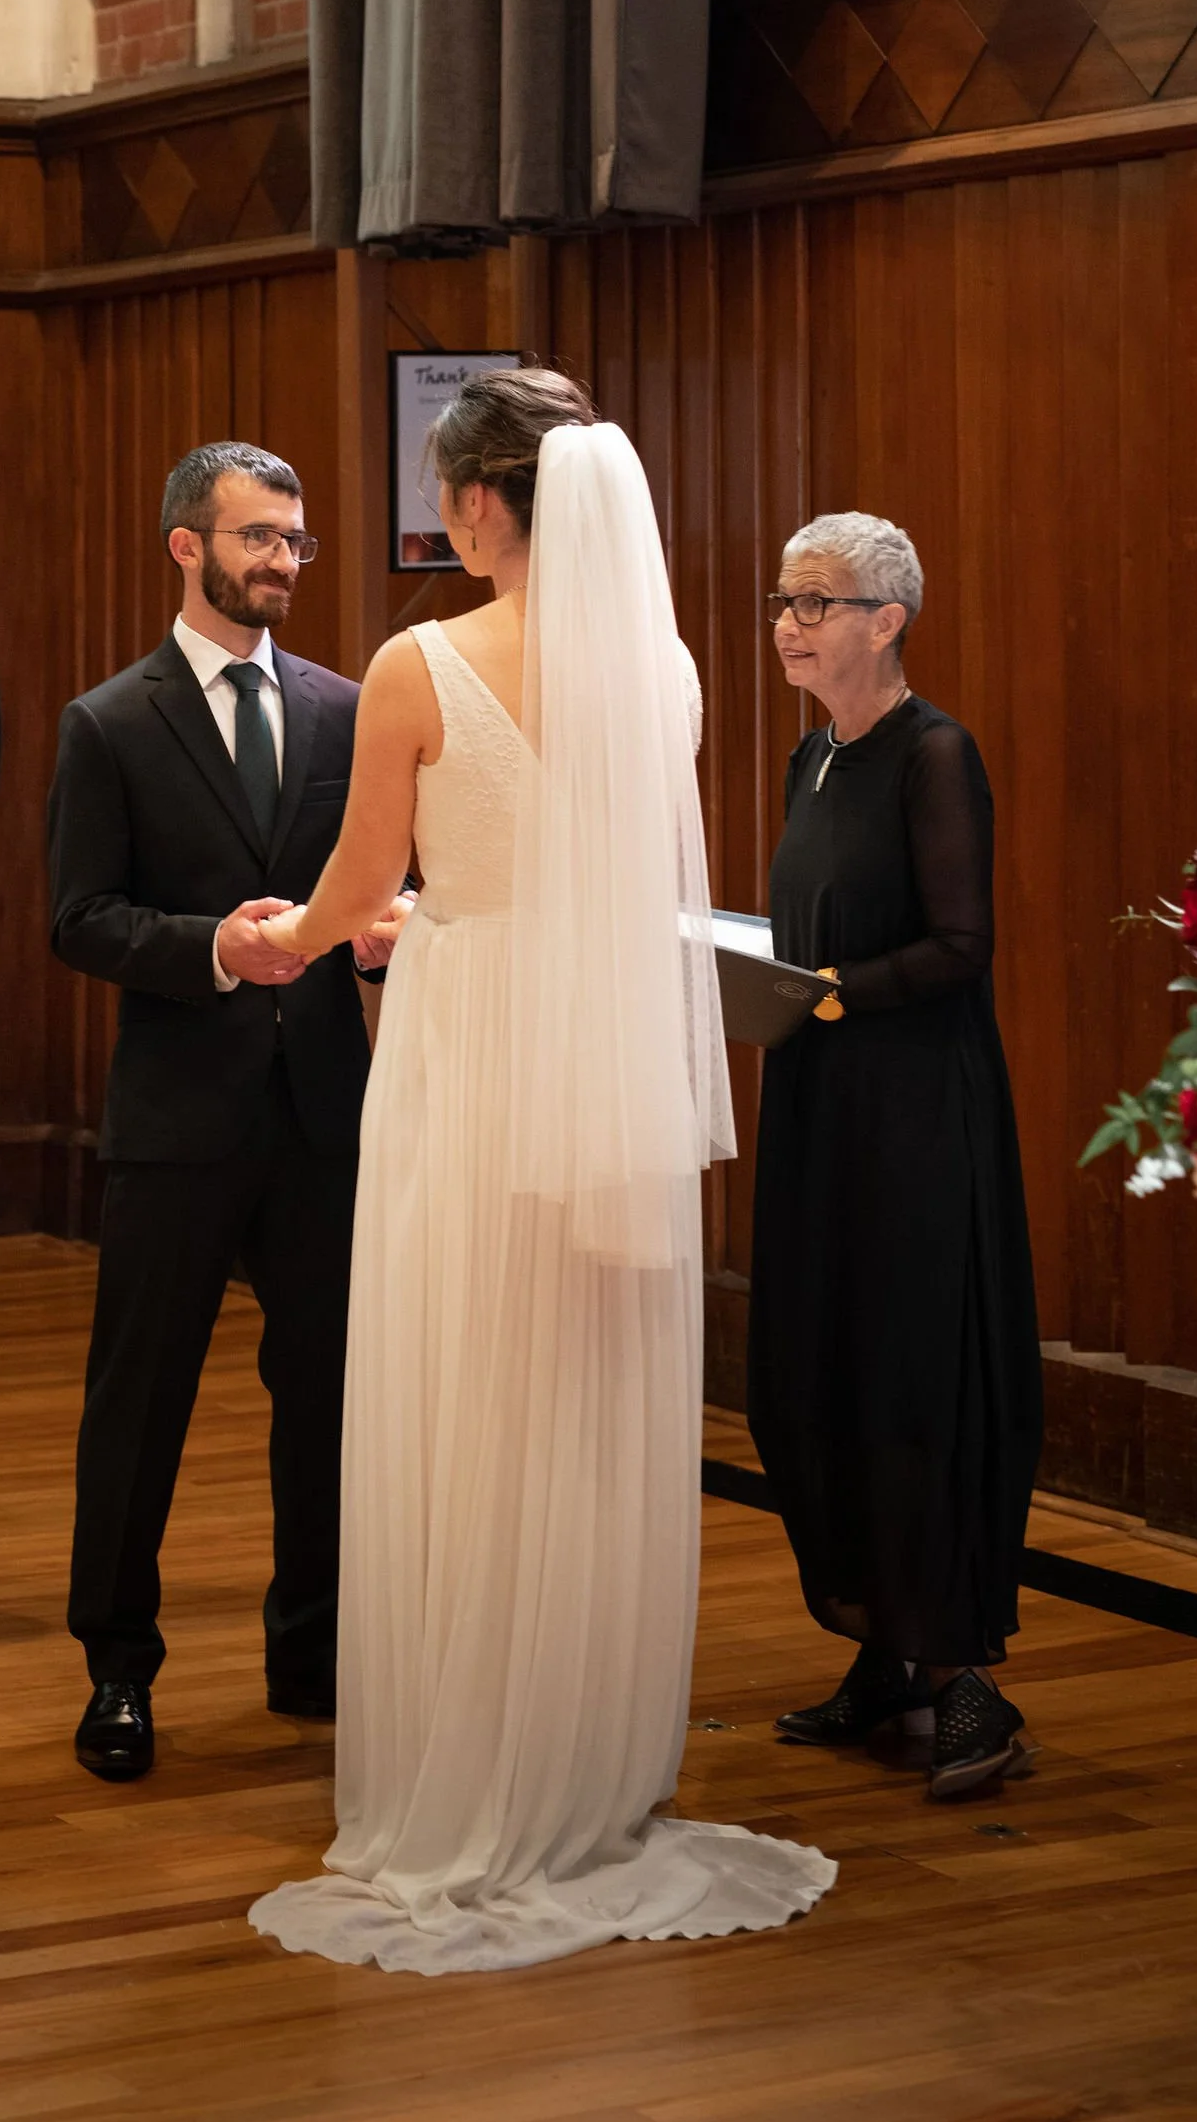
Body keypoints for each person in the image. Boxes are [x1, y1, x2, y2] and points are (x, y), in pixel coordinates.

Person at [247, 371, 835, 1975]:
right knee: (582, 1394)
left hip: (475, 1048)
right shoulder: (665, 665)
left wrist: (272, 940)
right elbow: (614, 870)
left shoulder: (417, 659)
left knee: (463, 1386)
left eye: (446, 491)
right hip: (605, 1055)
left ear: (484, 504)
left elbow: (366, 880)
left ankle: (468, 1774)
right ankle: (584, 1777)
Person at [48, 442, 404, 1782]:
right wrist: (212, 947)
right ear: (187, 547)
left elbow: (379, 882)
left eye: (298, 541)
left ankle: (312, 1657)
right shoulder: (111, 722)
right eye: (260, 538)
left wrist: (377, 940)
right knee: (140, 1403)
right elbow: (78, 920)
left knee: (328, 1399)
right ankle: (118, 1671)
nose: (285, 562)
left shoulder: (344, 708)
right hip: (180, 1115)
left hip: (324, 1110)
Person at [749, 514, 1044, 1802]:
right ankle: (876, 1642)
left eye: (820, 601)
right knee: (819, 1367)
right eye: (784, 598)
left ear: (888, 620)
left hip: (918, 1117)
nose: (791, 621)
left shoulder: (936, 756)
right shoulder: (809, 758)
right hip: (820, 1104)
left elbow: (957, 948)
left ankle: (962, 1679)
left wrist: (820, 994)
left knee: (920, 1372)